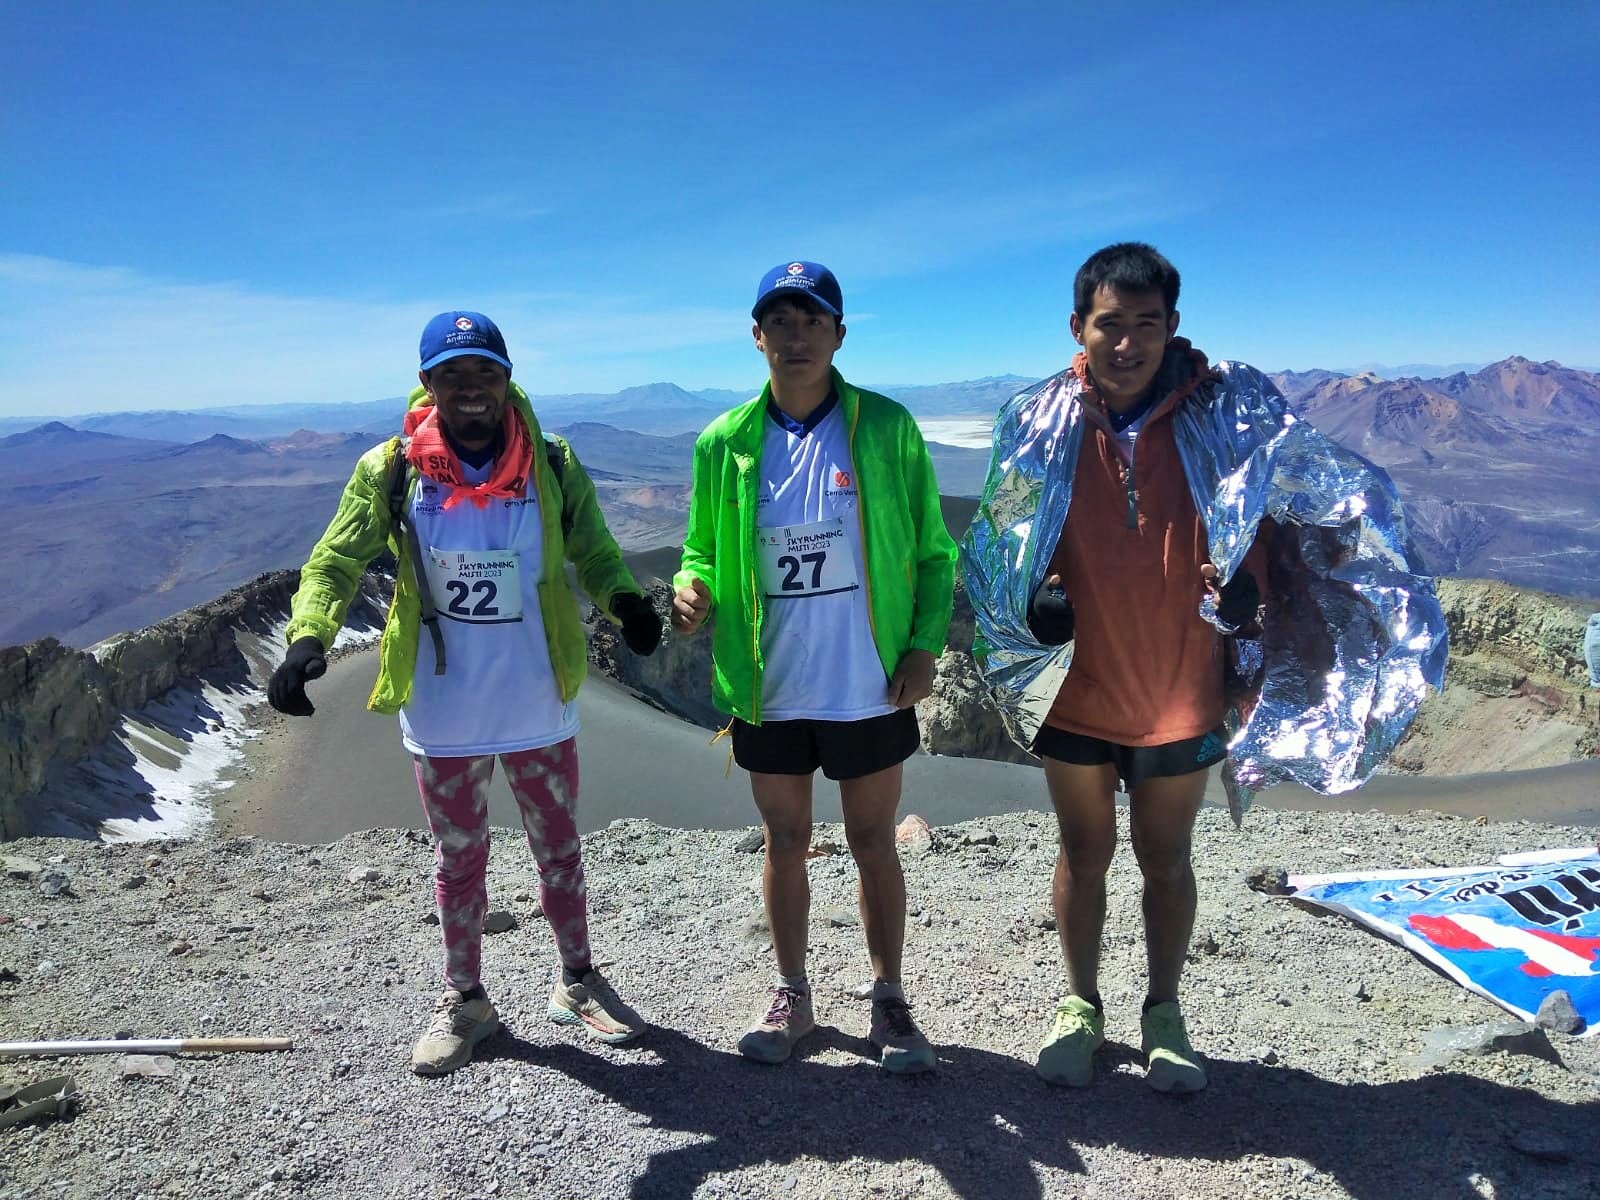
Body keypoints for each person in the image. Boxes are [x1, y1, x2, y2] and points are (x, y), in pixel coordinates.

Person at [963, 242, 1444, 1094]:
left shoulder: (1224, 413)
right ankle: (1079, 1006)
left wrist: (1251, 592)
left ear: (1172, 326)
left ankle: (1163, 1012)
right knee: (1082, 852)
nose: (1128, 342)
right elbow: (1002, 526)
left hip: (1182, 686)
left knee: (1166, 857)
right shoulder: (1037, 420)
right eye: (1111, 324)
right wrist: (1026, 594)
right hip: (1076, 685)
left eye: (1146, 324)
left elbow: (1281, 514)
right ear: (1079, 326)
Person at [268, 311, 664, 1075]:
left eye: (484, 371)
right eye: (453, 374)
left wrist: (626, 603)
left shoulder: (551, 460)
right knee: (458, 858)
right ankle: (466, 1002)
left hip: (536, 698)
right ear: (428, 385)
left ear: (508, 378)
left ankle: (578, 981)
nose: (471, 387)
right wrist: (308, 635)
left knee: (559, 848)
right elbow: (334, 562)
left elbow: (593, 549)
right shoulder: (392, 469)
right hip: (443, 707)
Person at [671, 262, 957, 1074]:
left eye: (812, 321)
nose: (796, 338)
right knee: (784, 839)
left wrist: (925, 646)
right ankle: (792, 993)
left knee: (873, 840)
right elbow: (698, 545)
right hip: (770, 685)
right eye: (780, 323)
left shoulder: (888, 429)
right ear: (758, 337)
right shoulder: (723, 443)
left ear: (839, 334)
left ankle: (889, 998)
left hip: (869, 681)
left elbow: (935, 551)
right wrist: (691, 585)